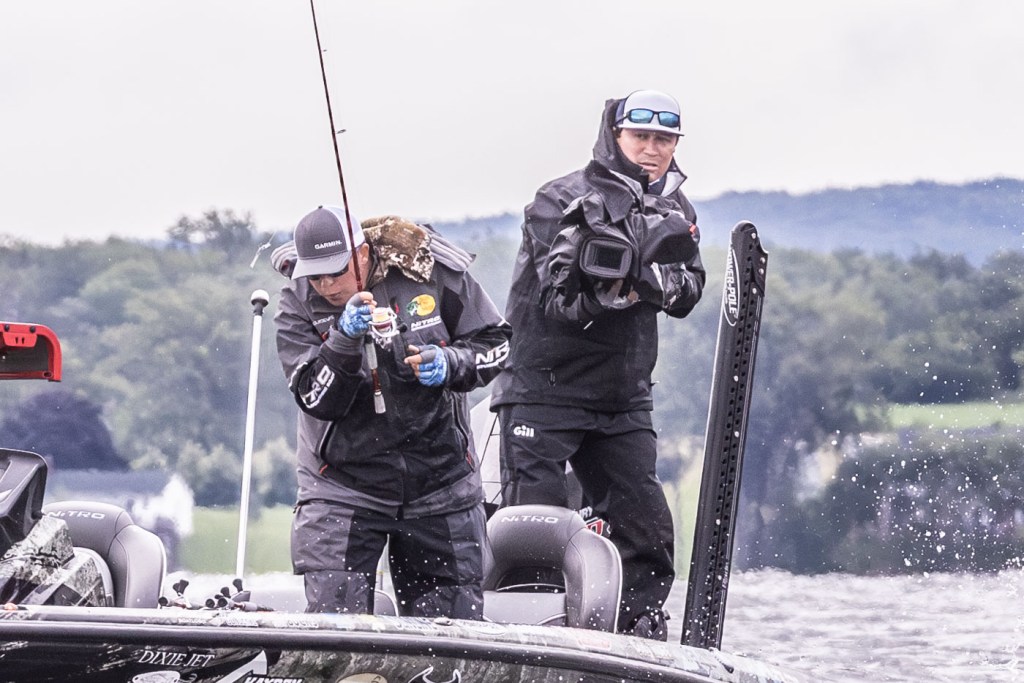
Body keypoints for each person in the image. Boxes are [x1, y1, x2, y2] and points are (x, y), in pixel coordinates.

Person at [490, 89, 706, 640]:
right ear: (616, 135)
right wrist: (620, 286)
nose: (652, 149)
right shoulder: (558, 199)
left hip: (622, 397)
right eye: (641, 137)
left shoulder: (677, 209)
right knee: (535, 528)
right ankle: (531, 636)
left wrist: (647, 279)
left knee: (646, 527)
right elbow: (559, 301)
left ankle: (635, 634)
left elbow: (689, 290)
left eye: (664, 139)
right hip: (542, 390)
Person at [273, 206, 512, 619]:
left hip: (441, 483)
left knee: (451, 631)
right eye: (316, 276)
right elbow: (316, 398)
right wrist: (342, 341)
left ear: (362, 254)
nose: (327, 285)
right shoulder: (296, 304)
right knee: (334, 630)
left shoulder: (430, 271)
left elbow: (498, 344)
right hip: (341, 487)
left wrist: (452, 362)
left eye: (337, 272)